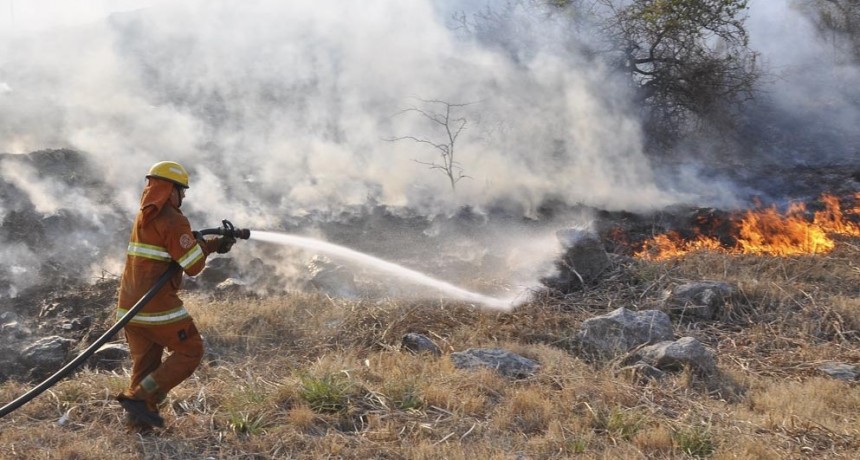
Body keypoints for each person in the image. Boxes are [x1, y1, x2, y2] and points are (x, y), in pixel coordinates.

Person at [115, 161, 234, 431]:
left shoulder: (145, 215)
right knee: (191, 350)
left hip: (129, 308)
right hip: (156, 307)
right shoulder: (173, 218)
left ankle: (139, 423)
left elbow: (176, 250)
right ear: (170, 190)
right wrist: (206, 246)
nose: (184, 197)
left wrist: (214, 244)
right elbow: (192, 265)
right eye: (182, 191)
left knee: (147, 365)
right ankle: (140, 399)